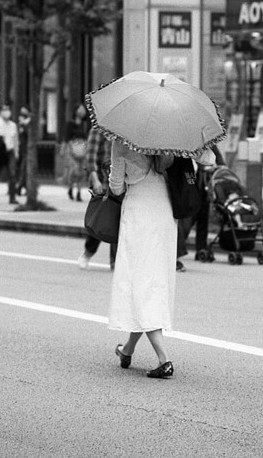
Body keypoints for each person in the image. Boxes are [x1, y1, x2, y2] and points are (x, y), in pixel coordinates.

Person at [109, 141, 177, 379]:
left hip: (140, 212)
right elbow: (206, 160)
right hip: (165, 210)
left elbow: (116, 187)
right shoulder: (167, 137)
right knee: (151, 280)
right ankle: (127, 350)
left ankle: (164, 358)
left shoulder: (122, 141)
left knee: (140, 283)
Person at [78, 125, 116, 270]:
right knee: (100, 222)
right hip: (102, 182)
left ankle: (115, 262)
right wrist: (95, 180)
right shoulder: (97, 130)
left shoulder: (120, 130)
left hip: (119, 183)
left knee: (117, 221)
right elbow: (90, 159)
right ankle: (88, 252)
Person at [63, 104, 90, 201]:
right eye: (80, 109)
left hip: (82, 149)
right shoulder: (70, 123)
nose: (82, 111)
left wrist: (86, 148)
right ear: (76, 111)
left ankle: (78, 193)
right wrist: (69, 149)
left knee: (81, 172)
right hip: (72, 149)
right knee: (73, 171)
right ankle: (70, 188)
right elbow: (67, 138)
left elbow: (87, 138)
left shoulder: (85, 124)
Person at [15, 106, 32, 195]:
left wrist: (25, 125)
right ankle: (26, 187)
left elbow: (30, 135)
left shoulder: (28, 124)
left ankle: (19, 187)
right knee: (21, 169)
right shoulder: (19, 125)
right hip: (19, 150)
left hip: (27, 150)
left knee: (23, 169)